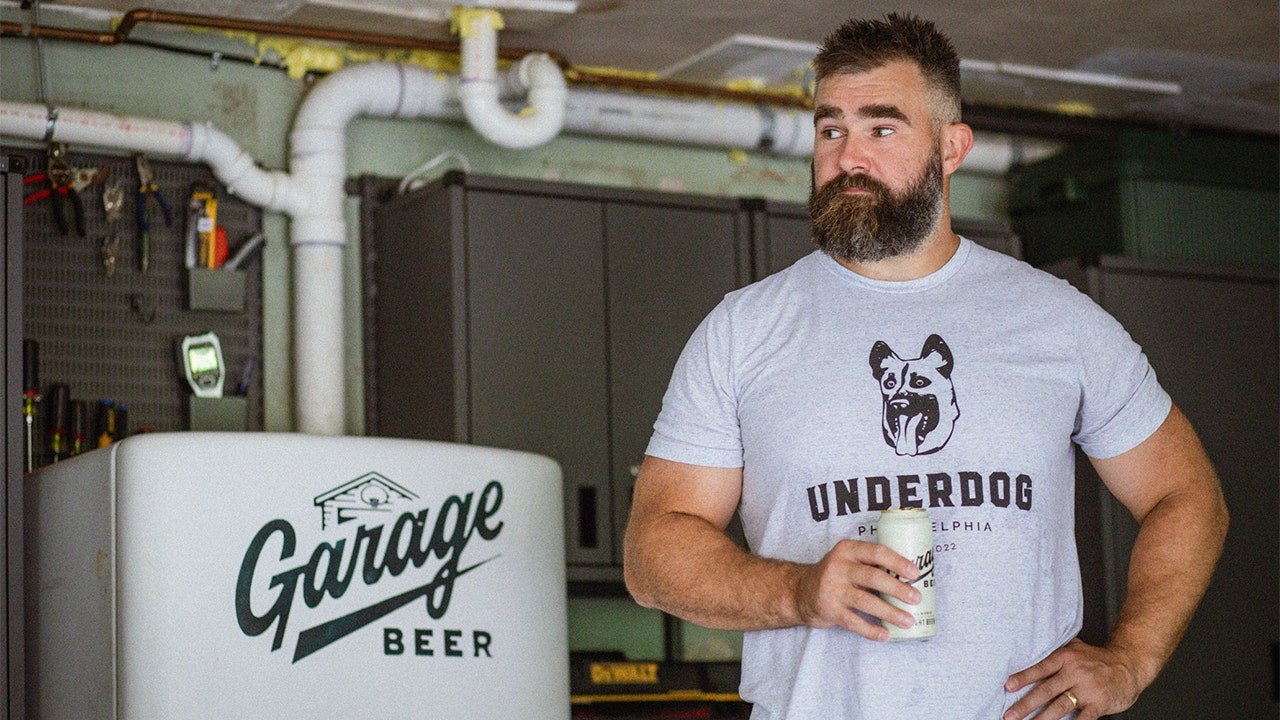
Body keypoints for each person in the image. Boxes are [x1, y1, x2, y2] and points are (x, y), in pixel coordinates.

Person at [622, 12, 1228, 720]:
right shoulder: (743, 331)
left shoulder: (1058, 322)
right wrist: (797, 592)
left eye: (882, 129)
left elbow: (1187, 495)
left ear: (951, 147)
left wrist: (1132, 658)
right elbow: (653, 554)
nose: (849, 157)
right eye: (830, 130)